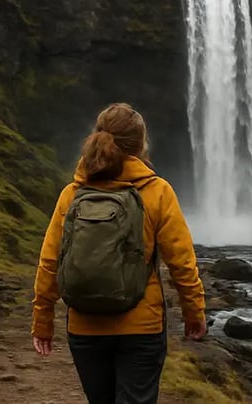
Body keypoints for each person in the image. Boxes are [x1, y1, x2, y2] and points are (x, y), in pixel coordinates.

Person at [31, 103, 208, 404]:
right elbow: (181, 261)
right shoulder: (158, 191)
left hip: (85, 327)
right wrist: (195, 312)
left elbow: (50, 261)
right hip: (142, 326)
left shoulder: (72, 193)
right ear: (140, 144)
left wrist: (42, 320)